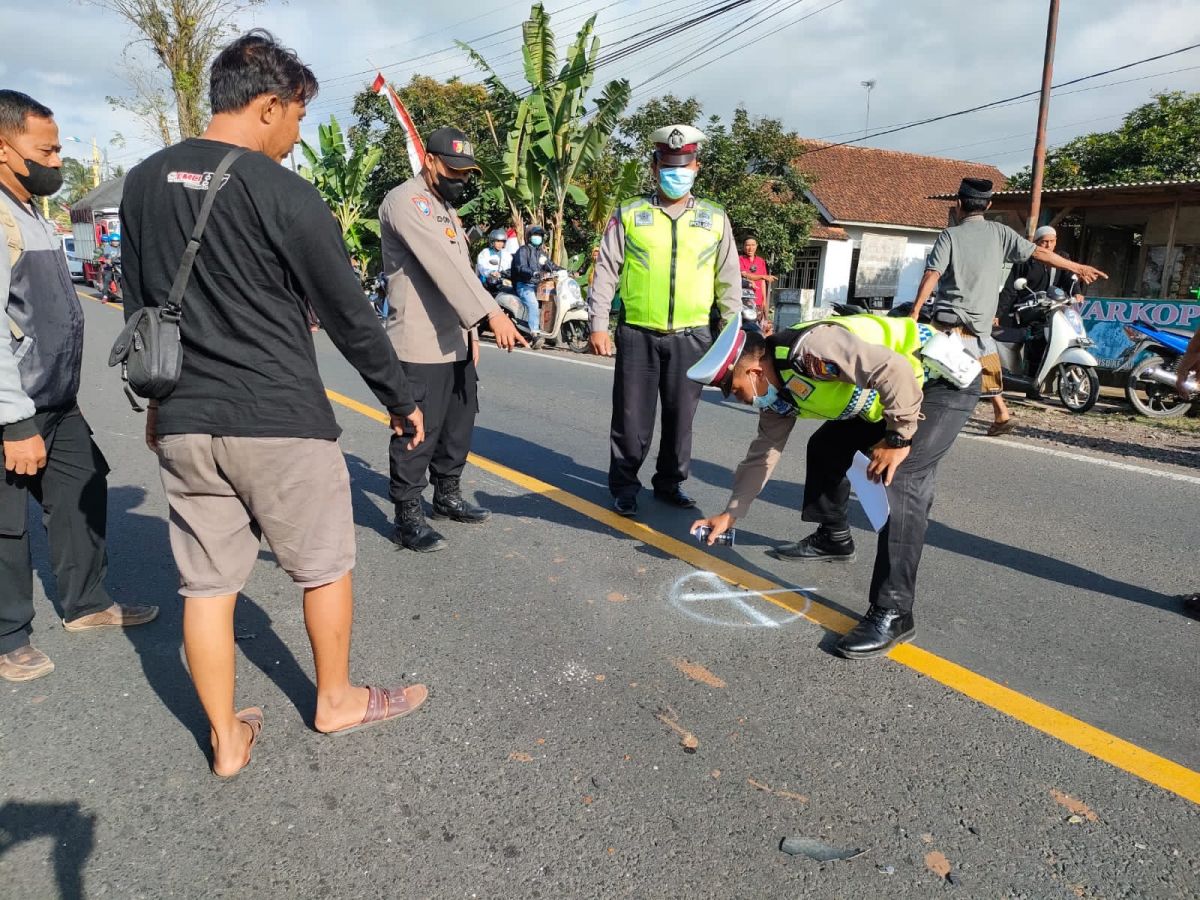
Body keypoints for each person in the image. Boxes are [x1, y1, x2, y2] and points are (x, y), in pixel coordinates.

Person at [120, 31, 429, 776]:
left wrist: (158, 407)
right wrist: (399, 398)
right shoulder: (283, 192)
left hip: (187, 419)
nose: (296, 135)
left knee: (207, 582)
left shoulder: (140, 181)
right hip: (280, 419)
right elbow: (351, 313)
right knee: (322, 566)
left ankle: (226, 738)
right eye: (295, 116)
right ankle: (337, 699)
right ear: (266, 106)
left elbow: (139, 309)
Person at [688, 313, 977, 658]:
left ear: (752, 372)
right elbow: (762, 455)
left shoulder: (813, 351)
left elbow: (894, 370)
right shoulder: (777, 397)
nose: (737, 398)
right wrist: (731, 515)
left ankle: (895, 612)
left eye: (734, 389)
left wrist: (898, 439)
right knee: (826, 447)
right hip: (889, 396)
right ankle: (834, 538)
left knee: (902, 478)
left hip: (939, 382)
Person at [0, 90, 158, 684]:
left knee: (83, 485)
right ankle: (9, 635)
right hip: (12, 406)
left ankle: (86, 604)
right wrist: (14, 422)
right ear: (4, 149)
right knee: (6, 521)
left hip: (55, 399)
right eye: (46, 149)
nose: (56, 160)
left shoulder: (31, 211)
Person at [379, 126, 527, 553]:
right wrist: (492, 313)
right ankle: (407, 515)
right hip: (420, 342)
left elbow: (464, 270)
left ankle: (446, 494)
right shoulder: (407, 201)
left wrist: (472, 331)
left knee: (458, 423)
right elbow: (444, 266)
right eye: (453, 170)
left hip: (456, 339)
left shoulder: (445, 208)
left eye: (466, 174)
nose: (459, 180)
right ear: (429, 161)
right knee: (416, 431)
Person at [587, 123, 741, 516]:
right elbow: (606, 269)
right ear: (655, 167)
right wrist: (599, 325)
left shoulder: (714, 218)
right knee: (631, 418)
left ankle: (670, 483)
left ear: (697, 167)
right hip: (638, 331)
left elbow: (728, 279)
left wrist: (732, 336)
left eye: (684, 166)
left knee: (680, 419)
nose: (676, 174)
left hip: (693, 336)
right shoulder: (630, 213)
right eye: (668, 166)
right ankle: (624, 486)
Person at [910, 179, 1106, 435]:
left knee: (924, 362)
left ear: (958, 204)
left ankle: (913, 414)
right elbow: (1040, 253)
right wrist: (1077, 267)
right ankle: (1001, 413)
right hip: (980, 322)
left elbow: (932, 274)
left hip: (950, 318)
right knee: (984, 358)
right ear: (989, 204)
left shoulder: (950, 235)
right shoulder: (1000, 233)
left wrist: (915, 311)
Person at [995, 225, 1084, 404]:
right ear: (1035, 243)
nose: (1048, 245)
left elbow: (1070, 279)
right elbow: (1010, 290)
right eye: (1044, 241)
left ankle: (1043, 385)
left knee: (1050, 343)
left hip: (1052, 311)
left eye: (1051, 241)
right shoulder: (1024, 260)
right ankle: (1029, 387)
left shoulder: (1062, 259)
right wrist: (997, 312)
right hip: (1026, 310)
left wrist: (1077, 292)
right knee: (1034, 346)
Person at [510, 224, 556, 347]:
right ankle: (535, 334)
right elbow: (520, 267)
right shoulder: (523, 250)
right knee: (533, 304)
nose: (538, 237)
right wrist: (534, 272)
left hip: (539, 286)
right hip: (525, 285)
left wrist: (564, 271)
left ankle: (550, 332)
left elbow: (551, 265)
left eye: (540, 235)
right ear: (529, 237)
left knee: (553, 301)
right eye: (536, 235)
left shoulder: (541, 253)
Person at [739, 237, 774, 321]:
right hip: (744, 301)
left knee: (757, 328)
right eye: (747, 245)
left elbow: (762, 283)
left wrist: (764, 301)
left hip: (758, 301)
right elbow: (745, 275)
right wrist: (762, 276)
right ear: (744, 247)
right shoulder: (739, 259)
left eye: (753, 245)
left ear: (756, 246)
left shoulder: (761, 261)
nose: (750, 248)